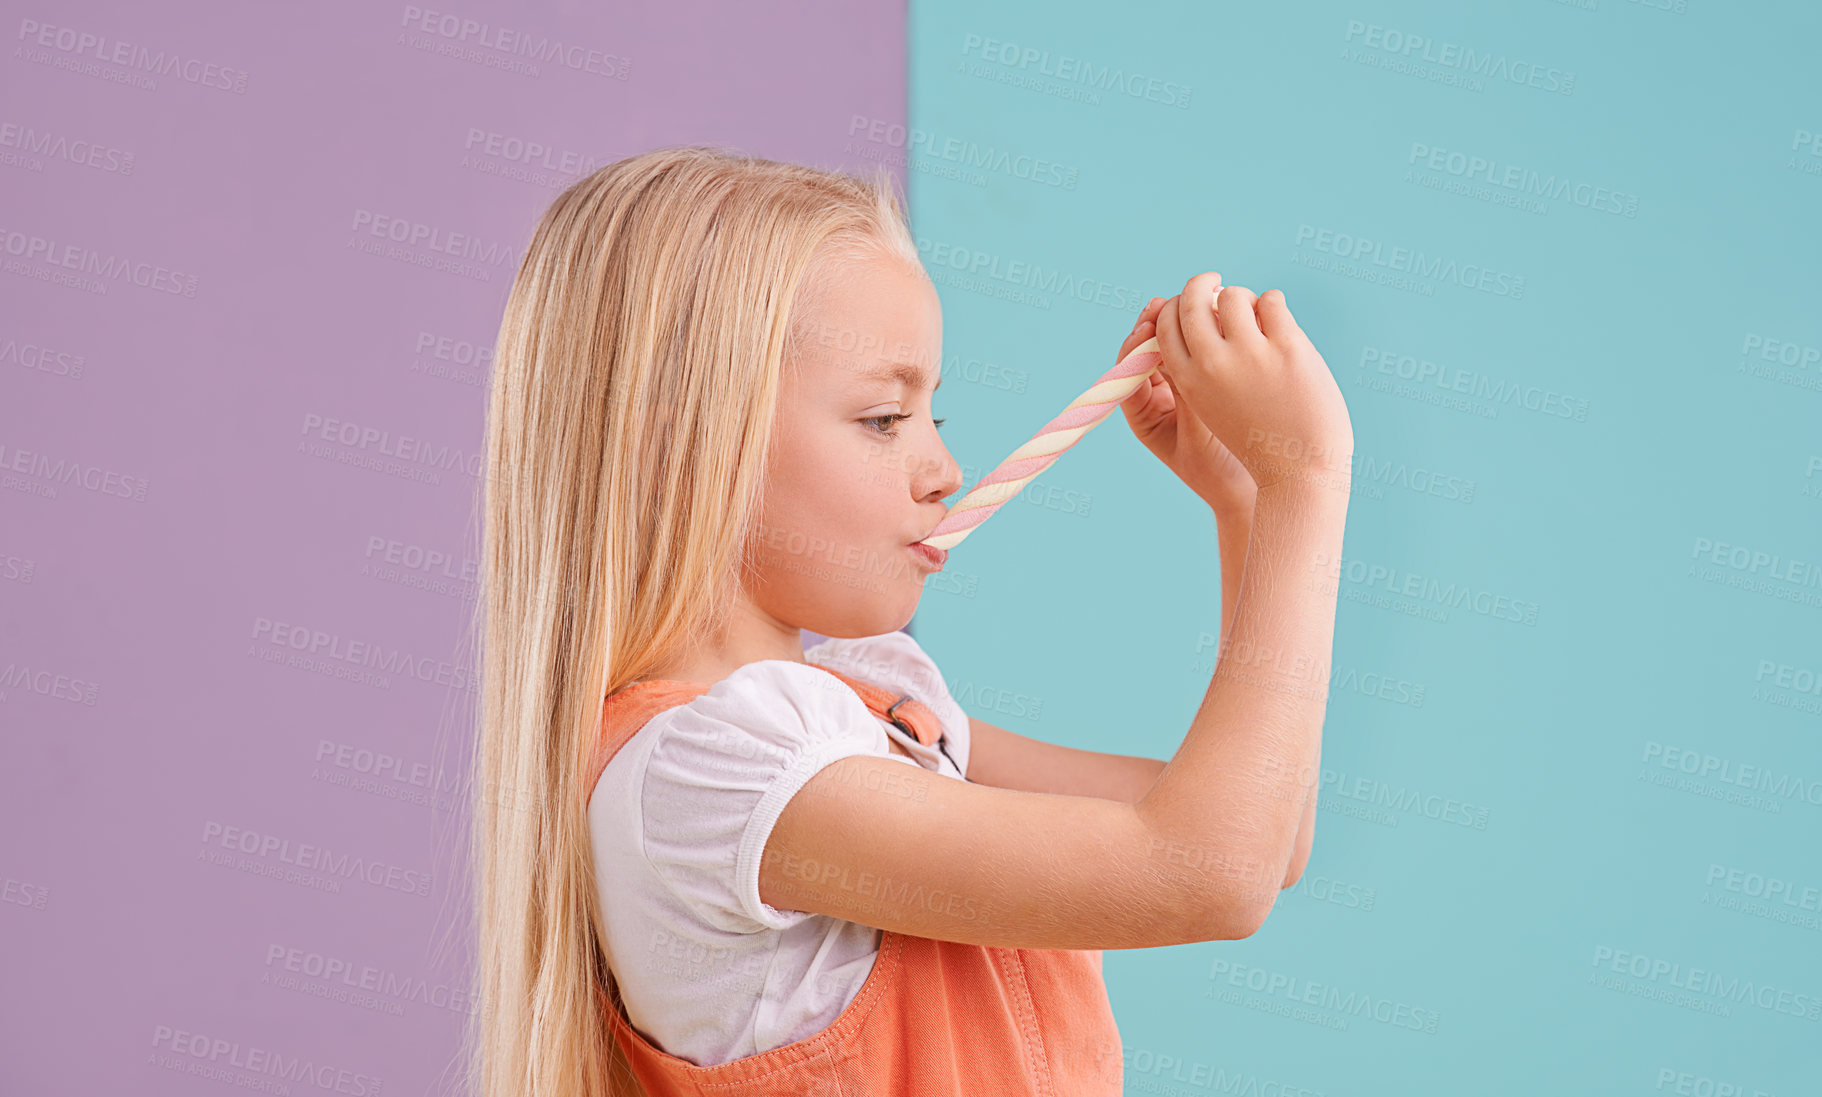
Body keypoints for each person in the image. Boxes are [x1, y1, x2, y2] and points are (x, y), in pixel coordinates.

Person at [464, 144, 1354, 1097]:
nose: (943, 470)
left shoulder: (874, 706)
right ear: (684, 440)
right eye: (885, 418)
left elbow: (1268, 831)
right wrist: (1307, 483)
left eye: (937, 414)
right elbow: (1210, 872)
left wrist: (1247, 510)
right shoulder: (709, 775)